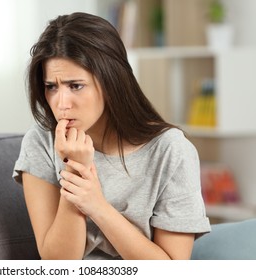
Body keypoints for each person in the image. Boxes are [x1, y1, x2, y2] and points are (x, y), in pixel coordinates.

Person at [13, 12, 211, 260]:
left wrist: (96, 205)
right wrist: (74, 170)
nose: (61, 103)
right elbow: (58, 266)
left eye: (76, 86)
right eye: (51, 86)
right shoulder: (41, 141)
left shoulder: (170, 150)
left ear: (111, 81)